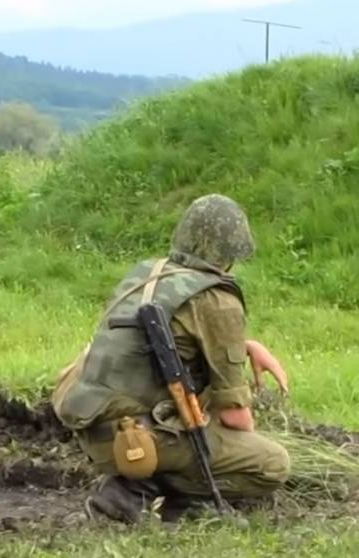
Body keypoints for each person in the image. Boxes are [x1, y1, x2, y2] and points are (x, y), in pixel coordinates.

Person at [52, 194, 291, 523]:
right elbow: (237, 418)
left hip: (95, 432)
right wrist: (244, 440)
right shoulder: (216, 299)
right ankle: (151, 494)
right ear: (232, 252)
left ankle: (136, 484)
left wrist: (246, 345)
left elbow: (165, 345)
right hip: (135, 442)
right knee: (272, 463)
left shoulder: (149, 275)